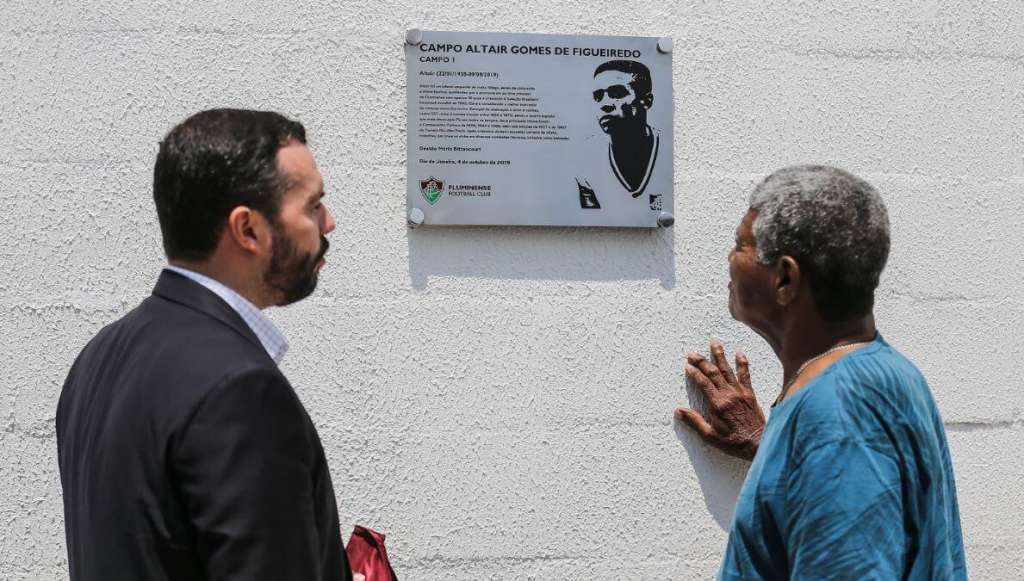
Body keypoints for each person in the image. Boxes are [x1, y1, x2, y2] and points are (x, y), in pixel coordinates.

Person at [56, 109, 356, 580]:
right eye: (313, 205)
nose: (329, 222)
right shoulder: (240, 389)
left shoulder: (99, 356)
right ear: (248, 230)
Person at [674, 165, 966, 579]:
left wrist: (806, 437)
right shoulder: (886, 374)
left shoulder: (837, 413)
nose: (729, 258)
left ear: (785, 279)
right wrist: (772, 445)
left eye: (741, 244)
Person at [576, 59, 663, 213]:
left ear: (646, 101)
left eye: (616, 93)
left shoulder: (669, 150)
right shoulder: (585, 164)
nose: (604, 104)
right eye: (598, 96)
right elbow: (592, 218)